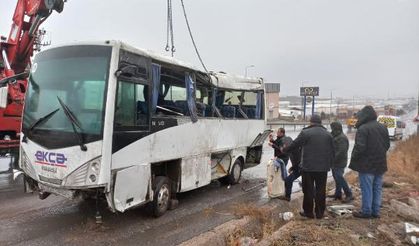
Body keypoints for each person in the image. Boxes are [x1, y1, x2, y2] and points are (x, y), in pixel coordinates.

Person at [283, 115, 334, 219]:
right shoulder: (328, 134)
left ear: (311, 122)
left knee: (308, 190)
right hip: (322, 168)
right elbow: (333, 152)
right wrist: (329, 165)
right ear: (320, 123)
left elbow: (295, 144)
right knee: (320, 190)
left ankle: (308, 213)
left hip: (308, 167)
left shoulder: (305, 132)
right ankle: (320, 213)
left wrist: (284, 150)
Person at [349, 106, 390, 219]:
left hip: (366, 165)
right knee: (377, 188)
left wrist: (355, 159)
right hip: (380, 163)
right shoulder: (383, 127)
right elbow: (387, 145)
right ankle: (375, 212)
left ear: (365, 116)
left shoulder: (363, 128)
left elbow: (359, 148)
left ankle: (366, 211)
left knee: (367, 188)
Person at [328, 121, 353, 202]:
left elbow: (341, 152)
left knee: (339, 177)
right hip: (335, 162)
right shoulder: (336, 135)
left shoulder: (341, 137)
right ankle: (338, 194)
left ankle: (349, 194)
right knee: (336, 178)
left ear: (336, 128)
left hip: (339, 162)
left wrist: (333, 160)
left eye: (332, 128)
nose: (331, 129)